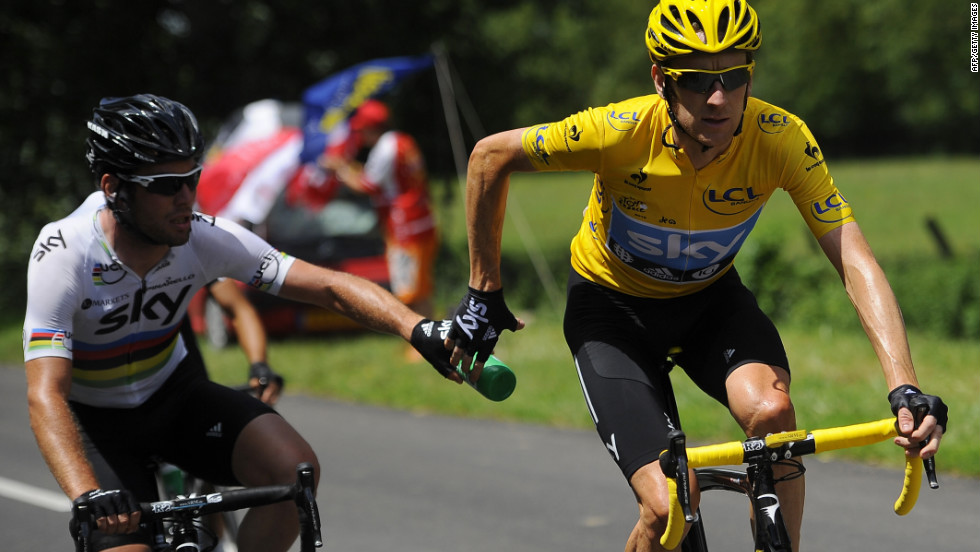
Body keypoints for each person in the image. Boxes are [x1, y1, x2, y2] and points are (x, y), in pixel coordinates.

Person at [444, 2, 948, 551]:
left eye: (734, 78)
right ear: (661, 79)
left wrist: (904, 385)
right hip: (612, 313)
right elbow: (489, 157)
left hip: (710, 303)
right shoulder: (617, 131)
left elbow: (853, 256)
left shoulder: (779, 138)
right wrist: (482, 292)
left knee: (774, 413)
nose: (718, 98)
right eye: (698, 82)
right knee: (667, 507)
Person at [24, 93, 461, 552]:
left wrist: (416, 327)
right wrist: (86, 493)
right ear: (114, 187)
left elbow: (328, 286)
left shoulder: (202, 237)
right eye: (166, 185)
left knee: (294, 471)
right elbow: (45, 393)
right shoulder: (65, 253)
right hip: (97, 425)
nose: (186, 198)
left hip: (175, 398)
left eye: (192, 178)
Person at [321, 100, 439, 323]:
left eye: (361, 129)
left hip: (404, 227)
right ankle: (430, 334)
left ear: (371, 127)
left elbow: (366, 185)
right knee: (421, 286)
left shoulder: (385, 148)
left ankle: (419, 343)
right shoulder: (402, 140)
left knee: (409, 289)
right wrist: (348, 167)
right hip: (421, 220)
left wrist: (339, 167)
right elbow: (376, 177)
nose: (360, 135)